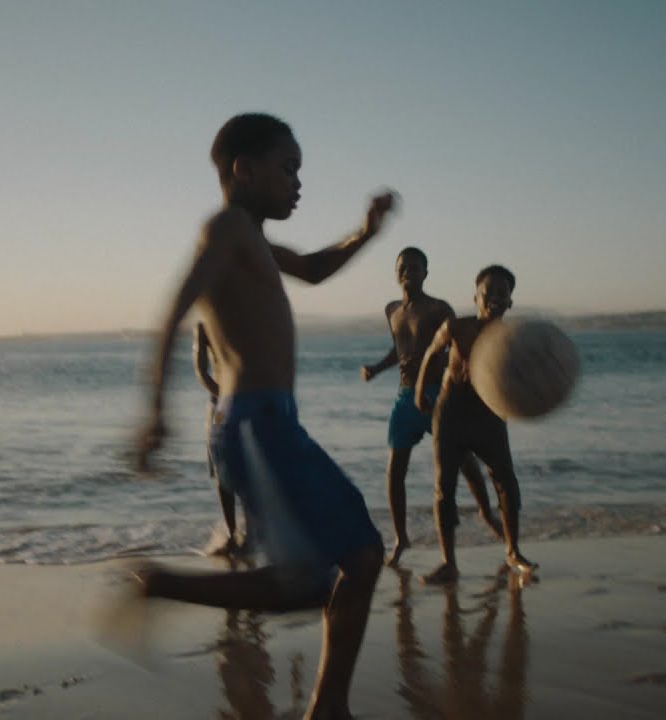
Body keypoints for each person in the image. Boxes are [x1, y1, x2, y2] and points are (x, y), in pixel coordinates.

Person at [134, 113, 390, 720]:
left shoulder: (253, 239)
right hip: (253, 422)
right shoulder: (225, 228)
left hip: (272, 421)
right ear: (244, 169)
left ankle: (330, 708)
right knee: (314, 578)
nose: (298, 183)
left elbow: (314, 269)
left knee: (360, 557)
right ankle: (160, 584)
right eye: (288, 168)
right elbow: (174, 311)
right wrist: (156, 410)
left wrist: (365, 232)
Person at [360, 247, 502, 566]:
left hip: (439, 394)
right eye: (402, 267)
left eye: (414, 267)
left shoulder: (439, 308)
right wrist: (376, 369)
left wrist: (456, 374)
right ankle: (401, 538)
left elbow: (459, 344)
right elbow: (399, 349)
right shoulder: (392, 310)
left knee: (463, 460)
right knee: (394, 470)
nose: (407, 272)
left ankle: (486, 513)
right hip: (405, 397)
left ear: (425, 273)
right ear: (395, 273)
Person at [414, 265, 537, 584]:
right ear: (475, 297)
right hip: (451, 412)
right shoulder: (457, 327)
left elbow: (523, 377)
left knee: (506, 481)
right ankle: (449, 563)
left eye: (502, 293)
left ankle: (513, 551)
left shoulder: (510, 339)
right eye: (488, 292)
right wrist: (420, 391)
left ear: (510, 302)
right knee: (444, 488)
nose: (494, 298)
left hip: (489, 414)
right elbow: (431, 354)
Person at [194, 321, 247, 557]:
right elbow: (201, 372)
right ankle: (232, 533)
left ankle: (251, 534)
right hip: (220, 405)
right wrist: (225, 395)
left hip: (248, 401)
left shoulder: (246, 318)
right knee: (222, 472)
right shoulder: (205, 324)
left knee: (248, 470)